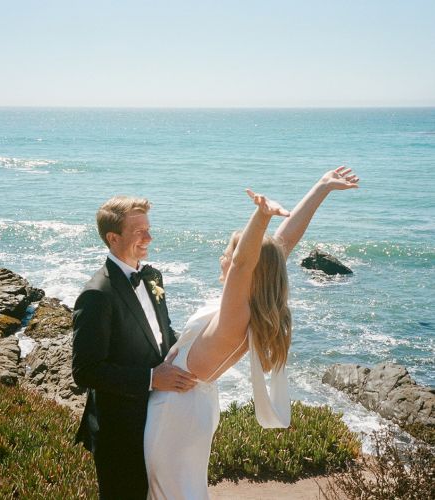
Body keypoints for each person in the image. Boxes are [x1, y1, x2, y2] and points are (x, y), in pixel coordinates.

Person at [144, 166, 360, 500]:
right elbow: (281, 244)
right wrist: (320, 187)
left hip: (175, 414)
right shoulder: (251, 308)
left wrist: (260, 216)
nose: (223, 257)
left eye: (229, 253)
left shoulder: (235, 317)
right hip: (192, 409)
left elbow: (246, 262)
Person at [72, 196, 198, 500]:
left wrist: (192, 354)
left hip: (159, 416)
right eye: (139, 232)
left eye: (149, 229)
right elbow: (85, 371)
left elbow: (161, 332)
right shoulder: (96, 295)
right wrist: (152, 379)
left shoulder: (152, 276)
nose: (149, 238)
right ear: (113, 238)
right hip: (120, 430)